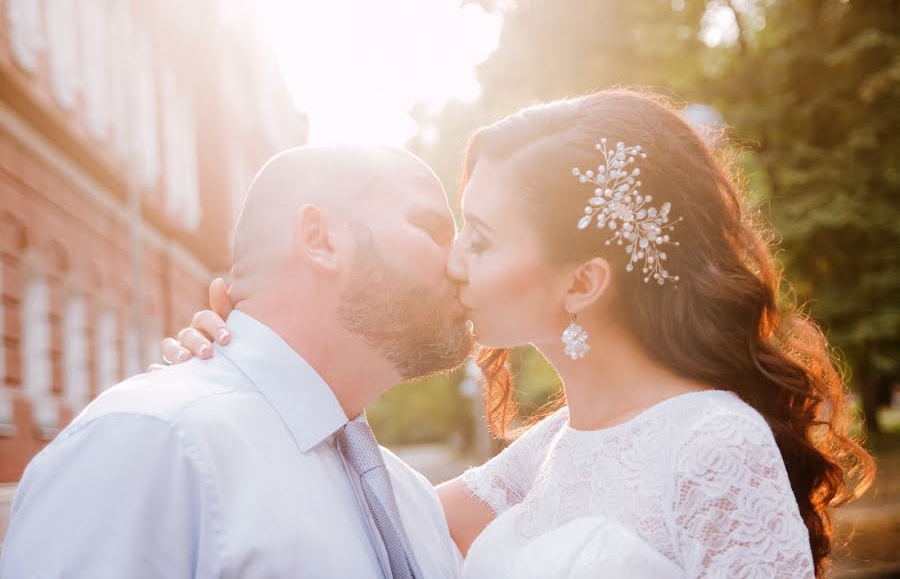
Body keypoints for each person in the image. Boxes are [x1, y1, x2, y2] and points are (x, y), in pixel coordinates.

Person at [161, 90, 875, 578]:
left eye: (482, 238)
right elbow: (346, 516)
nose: (452, 260)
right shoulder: (549, 452)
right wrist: (246, 360)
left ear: (582, 282)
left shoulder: (717, 445)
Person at [1, 145, 472, 578]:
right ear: (320, 239)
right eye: (431, 230)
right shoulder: (150, 442)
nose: (460, 264)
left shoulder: (410, 500)